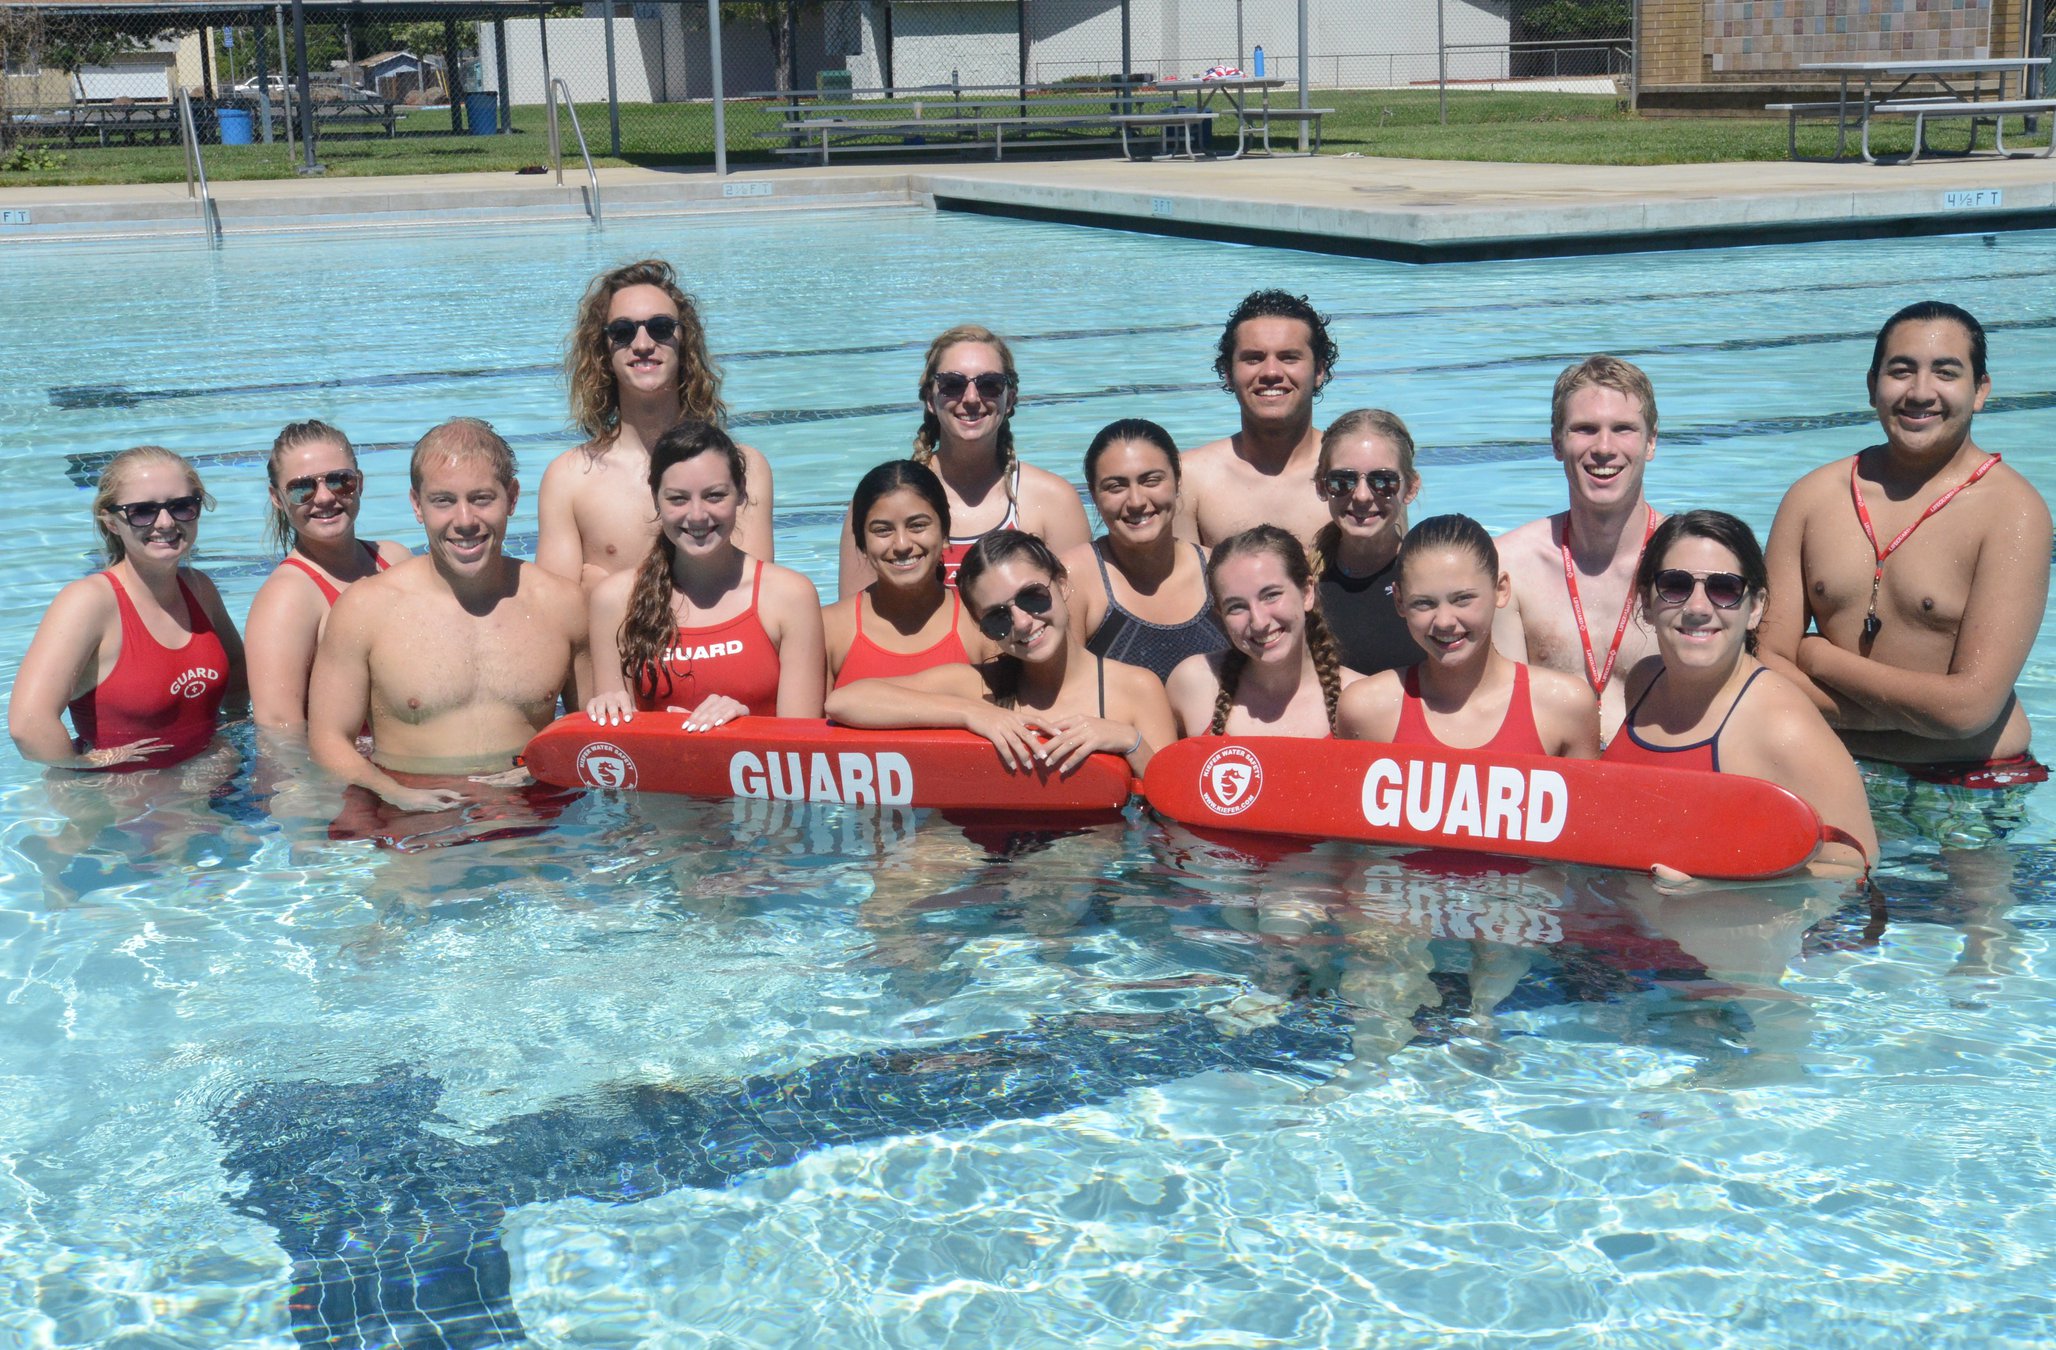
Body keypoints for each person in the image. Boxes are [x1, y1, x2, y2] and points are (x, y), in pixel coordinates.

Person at [1759, 300, 2050, 788]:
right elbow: (1764, 663)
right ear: (1872, 385)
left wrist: (1820, 658)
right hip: (1828, 766)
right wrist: (1914, 723)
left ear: (1980, 390)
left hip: (1965, 782)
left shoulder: (2013, 514)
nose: (1920, 392)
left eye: (1946, 372)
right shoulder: (1812, 498)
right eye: (1901, 370)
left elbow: (1968, 709)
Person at [308, 419, 590, 811]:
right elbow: (327, 740)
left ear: (512, 497)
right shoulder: (366, 609)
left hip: (531, 814)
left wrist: (541, 765)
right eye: (443, 501)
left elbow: (593, 729)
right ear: (416, 505)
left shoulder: (561, 605)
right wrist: (394, 794)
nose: (465, 520)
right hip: (414, 823)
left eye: (482, 498)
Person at [1609, 511, 1877, 878]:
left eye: (1724, 589)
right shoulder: (1643, 682)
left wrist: (1715, 888)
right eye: (1675, 585)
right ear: (1646, 602)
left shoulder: (1784, 727)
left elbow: (1856, 867)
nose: (1698, 607)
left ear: (1754, 608)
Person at [826, 530, 1173, 775]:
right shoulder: (980, 689)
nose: (1022, 622)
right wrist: (972, 714)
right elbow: (845, 701)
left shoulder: (1136, 688)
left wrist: (1130, 742)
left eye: (1032, 597)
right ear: (981, 626)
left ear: (1062, 584)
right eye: (997, 617)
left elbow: (1172, 803)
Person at [538, 260, 775, 590]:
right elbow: (556, 612)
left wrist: (604, 590)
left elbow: (754, 598)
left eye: (660, 327)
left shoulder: (743, 468)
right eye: (622, 332)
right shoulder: (568, 479)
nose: (643, 344)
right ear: (603, 350)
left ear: (684, 340)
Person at [10, 446, 244, 770]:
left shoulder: (199, 588)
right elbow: (28, 724)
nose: (165, 522)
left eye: (181, 506)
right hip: (124, 795)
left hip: (212, 779)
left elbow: (237, 666)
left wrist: (234, 726)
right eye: (142, 511)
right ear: (111, 522)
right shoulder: (88, 603)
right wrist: (90, 766)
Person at [586, 419, 824, 729]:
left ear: (741, 492)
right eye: (678, 499)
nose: (697, 515)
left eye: (714, 495)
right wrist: (610, 711)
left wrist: (741, 726)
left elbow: (800, 744)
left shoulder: (790, 597)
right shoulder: (615, 601)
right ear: (655, 498)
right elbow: (613, 747)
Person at [839, 323, 1089, 597]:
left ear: (1010, 399)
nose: (971, 398)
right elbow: (854, 615)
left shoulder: (1054, 501)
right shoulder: (878, 500)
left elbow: (1076, 612)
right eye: (952, 384)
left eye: (990, 384)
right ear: (930, 399)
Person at [1493, 355, 1666, 742]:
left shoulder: (1691, 568)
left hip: (1661, 771)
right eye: (1585, 429)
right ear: (1557, 442)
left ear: (1651, 441)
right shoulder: (1509, 567)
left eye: (1623, 429)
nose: (1604, 447)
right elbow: (1503, 715)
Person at [1337, 515, 1600, 758]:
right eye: (1424, 603)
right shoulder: (1366, 710)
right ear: (1399, 601)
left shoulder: (1566, 707)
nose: (1444, 621)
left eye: (1462, 599)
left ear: (1501, 590)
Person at [244, 420, 412, 731]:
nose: (323, 497)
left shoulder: (396, 559)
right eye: (302, 488)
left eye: (339, 481)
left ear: (359, 483)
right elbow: (280, 734)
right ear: (277, 498)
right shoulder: (286, 600)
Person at [1060, 418, 1226, 682]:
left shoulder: (1219, 572)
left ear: (1177, 481)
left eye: (1151, 481)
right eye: (1116, 487)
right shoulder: (1074, 579)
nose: (1136, 501)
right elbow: (1065, 693)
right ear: (1093, 494)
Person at [1176, 290, 1338, 549]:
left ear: (1319, 370)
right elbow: (1181, 575)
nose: (1271, 372)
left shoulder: (1358, 474)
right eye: (1253, 358)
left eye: (1289, 357)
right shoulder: (1190, 478)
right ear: (1228, 373)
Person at [1166, 525, 1362, 738]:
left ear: (1307, 593)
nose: (1259, 622)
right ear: (1220, 615)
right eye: (1236, 607)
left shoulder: (1362, 701)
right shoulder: (1193, 685)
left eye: (1271, 595)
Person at [825, 460, 984, 689]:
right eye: (882, 530)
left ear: (944, 533)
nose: (902, 544)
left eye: (917, 525)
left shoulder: (979, 624)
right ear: (862, 544)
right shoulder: (829, 631)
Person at [1311, 408, 1424, 677]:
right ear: (1321, 486)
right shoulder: (1301, 584)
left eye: (1383, 481)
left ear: (1410, 488)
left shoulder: (1432, 578)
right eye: (1342, 480)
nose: (1362, 496)